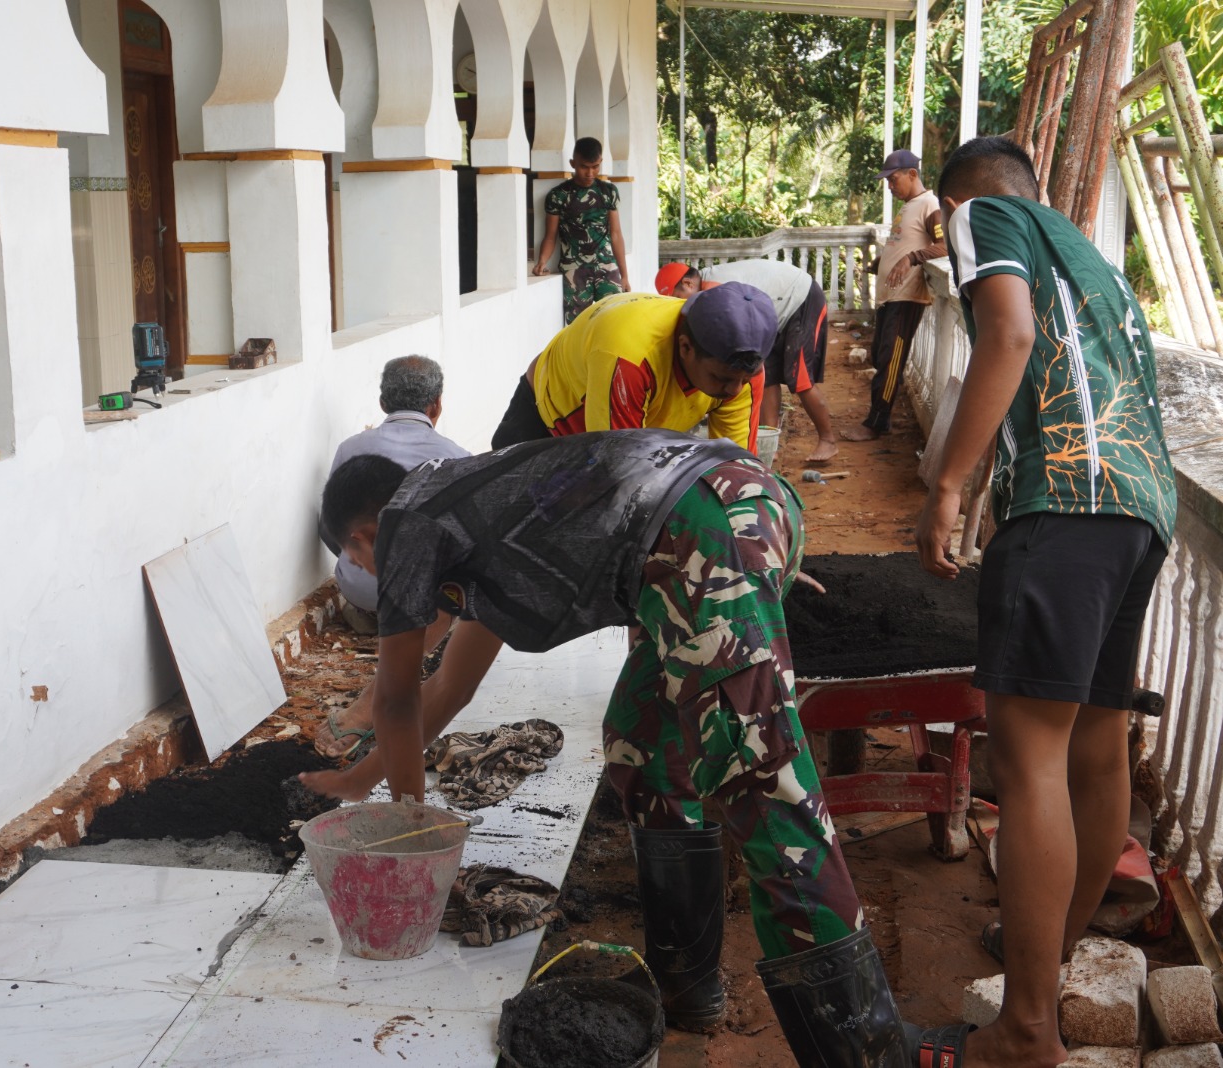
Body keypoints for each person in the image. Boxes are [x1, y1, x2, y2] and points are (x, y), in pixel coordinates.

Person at [304, 432, 936, 1063]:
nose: (377, 574)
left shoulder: (404, 523)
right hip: (714, 518)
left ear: (361, 540)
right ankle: (686, 985)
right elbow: (449, 689)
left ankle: (868, 1051)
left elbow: (395, 700)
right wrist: (363, 781)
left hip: (703, 528)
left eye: (362, 567)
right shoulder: (471, 517)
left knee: (764, 786)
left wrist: (410, 822)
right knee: (640, 742)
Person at [913, 136, 1176, 1068]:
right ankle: (1046, 964)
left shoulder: (985, 214)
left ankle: (1026, 1031)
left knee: (1028, 762)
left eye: (946, 228)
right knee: (1097, 751)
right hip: (1142, 511)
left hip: (1067, 503)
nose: (949, 247)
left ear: (963, 201)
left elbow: (1011, 337)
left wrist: (946, 487)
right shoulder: (1093, 256)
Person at [313, 355, 469, 758]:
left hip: (361, 587)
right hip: (422, 601)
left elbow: (331, 525)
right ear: (436, 404)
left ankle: (371, 611)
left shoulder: (351, 448)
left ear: (383, 402)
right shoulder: (455, 455)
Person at [488, 285, 772, 453]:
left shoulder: (743, 372)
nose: (734, 390)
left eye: (744, 380)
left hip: (638, 426)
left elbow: (736, 461)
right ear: (685, 347)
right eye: (721, 379)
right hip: (551, 414)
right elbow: (618, 467)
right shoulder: (629, 358)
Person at [657, 260, 838, 463]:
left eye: (677, 299)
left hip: (800, 298)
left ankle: (827, 440)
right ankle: (771, 443)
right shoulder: (709, 293)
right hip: (769, 318)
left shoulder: (717, 292)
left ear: (689, 284)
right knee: (762, 374)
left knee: (800, 378)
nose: (679, 308)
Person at [839, 149, 947, 443]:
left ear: (912, 174)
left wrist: (911, 258)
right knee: (881, 355)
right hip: (890, 297)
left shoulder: (930, 205)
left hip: (907, 299)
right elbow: (905, 239)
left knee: (890, 360)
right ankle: (879, 419)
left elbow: (945, 245)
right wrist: (881, 262)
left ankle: (876, 422)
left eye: (893, 179)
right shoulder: (910, 204)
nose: (889, 186)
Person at [532, 137, 630, 323]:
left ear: (600, 162)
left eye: (595, 166)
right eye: (584, 167)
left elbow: (616, 234)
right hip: (574, 270)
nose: (590, 173)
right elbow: (550, 236)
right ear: (573, 164)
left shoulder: (609, 192)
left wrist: (624, 275)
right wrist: (541, 261)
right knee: (577, 328)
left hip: (607, 267)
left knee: (614, 322)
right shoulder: (558, 196)